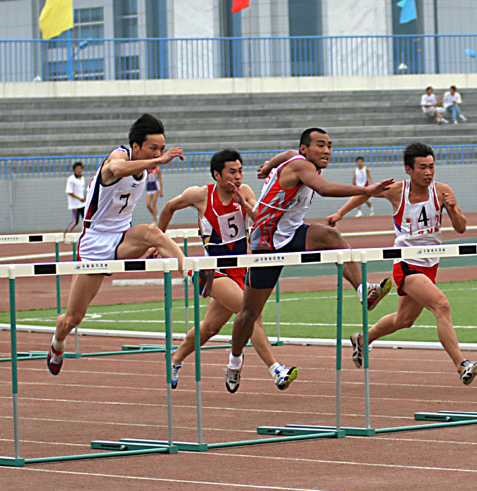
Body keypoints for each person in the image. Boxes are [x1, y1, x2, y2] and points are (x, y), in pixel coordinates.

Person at [224, 127, 394, 393]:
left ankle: (365, 291)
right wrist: (368, 190)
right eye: (320, 146)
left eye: (329, 146)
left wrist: (271, 163)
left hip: (292, 233)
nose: (326, 151)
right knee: (249, 314)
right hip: (267, 241)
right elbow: (324, 189)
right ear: (306, 150)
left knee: (330, 236)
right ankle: (234, 362)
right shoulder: (302, 167)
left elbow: (288, 152)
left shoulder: (295, 157)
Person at [47, 114, 198, 376]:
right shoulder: (117, 158)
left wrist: (156, 246)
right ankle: (57, 343)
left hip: (123, 237)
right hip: (95, 243)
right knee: (73, 318)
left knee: (153, 233)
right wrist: (159, 160)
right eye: (153, 148)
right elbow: (116, 171)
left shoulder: (147, 167)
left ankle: (193, 275)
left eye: (162, 148)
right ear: (136, 147)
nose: (159, 153)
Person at [327, 142, 477, 385]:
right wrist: (340, 214)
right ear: (409, 170)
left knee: (404, 320)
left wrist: (452, 209)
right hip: (406, 263)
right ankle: (461, 364)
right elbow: (364, 192)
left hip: (430, 264)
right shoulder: (397, 191)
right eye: (422, 168)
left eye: (432, 167)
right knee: (441, 305)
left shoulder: (442, 191)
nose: (429, 172)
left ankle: (363, 339)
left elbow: (461, 228)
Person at [158, 148, 298, 391]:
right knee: (250, 314)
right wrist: (159, 239)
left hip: (241, 268)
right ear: (217, 174)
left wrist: (243, 203)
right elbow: (169, 206)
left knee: (211, 327)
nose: (238, 177)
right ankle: (275, 369)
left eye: (240, 171)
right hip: (212, 270)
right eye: (232, 172)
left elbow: (260, 217)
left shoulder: (244, 192)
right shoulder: (200, 195)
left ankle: (176, 357)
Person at [64, 161, 86, 234]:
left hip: (83, 204)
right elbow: (69, 192)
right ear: (74, 170)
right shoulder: (71, 179)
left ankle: (86, 235)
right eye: (77, 168)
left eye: (80, 168)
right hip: (75, 205)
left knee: (86, 220)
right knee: (75, 221)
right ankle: (66, 234)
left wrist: (84, 197)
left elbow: (82, 190)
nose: (79, 170)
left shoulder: (82, 178)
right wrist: (79, 198)